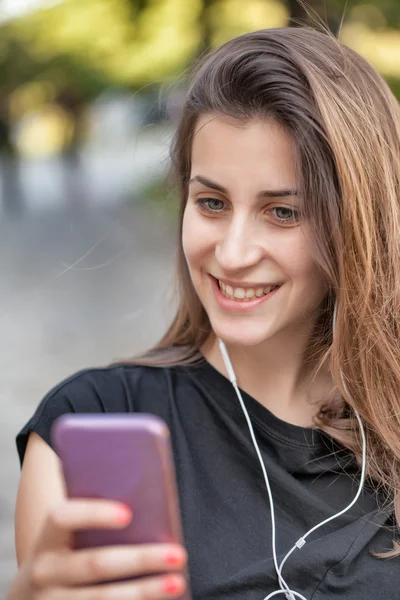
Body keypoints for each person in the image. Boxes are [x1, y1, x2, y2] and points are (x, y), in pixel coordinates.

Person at [7, 25, 400, 600]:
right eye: (211, 203)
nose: (234, 254)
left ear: (358, 227)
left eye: (283, 212)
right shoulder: (92, 421)